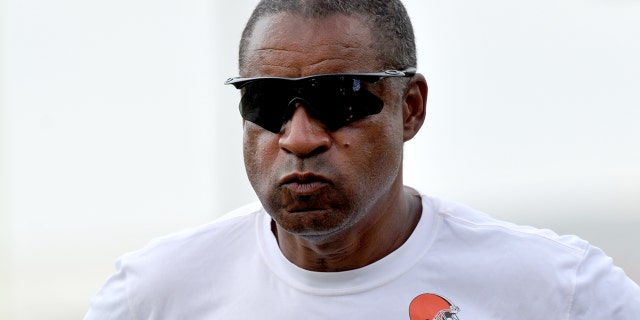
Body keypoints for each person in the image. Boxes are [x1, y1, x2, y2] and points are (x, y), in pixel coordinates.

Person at [84, 0, 640, 319]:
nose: (300, 138)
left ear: (410, 109)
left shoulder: (558, 291)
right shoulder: (155, 296)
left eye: (338, 99)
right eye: (267, 101)